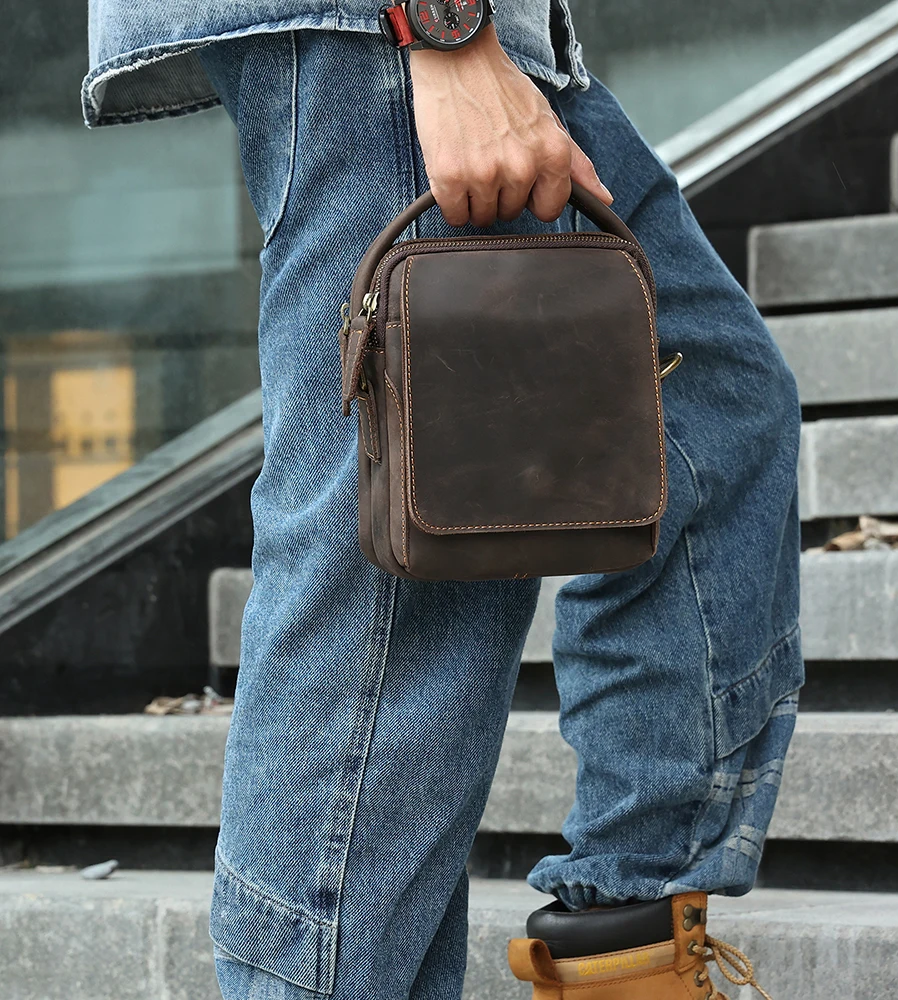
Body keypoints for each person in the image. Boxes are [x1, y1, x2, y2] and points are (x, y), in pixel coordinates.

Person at [84, 2, 803, 997]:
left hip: (472, 42)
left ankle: (624, 947)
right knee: (400, 566)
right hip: (387, 39)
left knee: (710, 410)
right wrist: (443, 34)